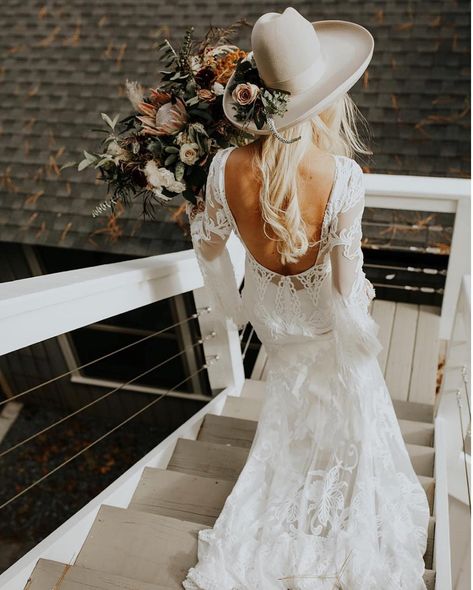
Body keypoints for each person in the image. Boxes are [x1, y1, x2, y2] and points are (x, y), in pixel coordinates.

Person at [183, 7, 431, 590]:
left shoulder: (222, 169)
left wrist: (232, 304)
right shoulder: (342, 176)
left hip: (271, 317)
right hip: (324, 318)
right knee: (350, 403)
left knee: (291, 402)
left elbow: (208, 245)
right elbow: (347, 288)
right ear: (325, 96)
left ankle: (292, 485)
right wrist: (362, 339)